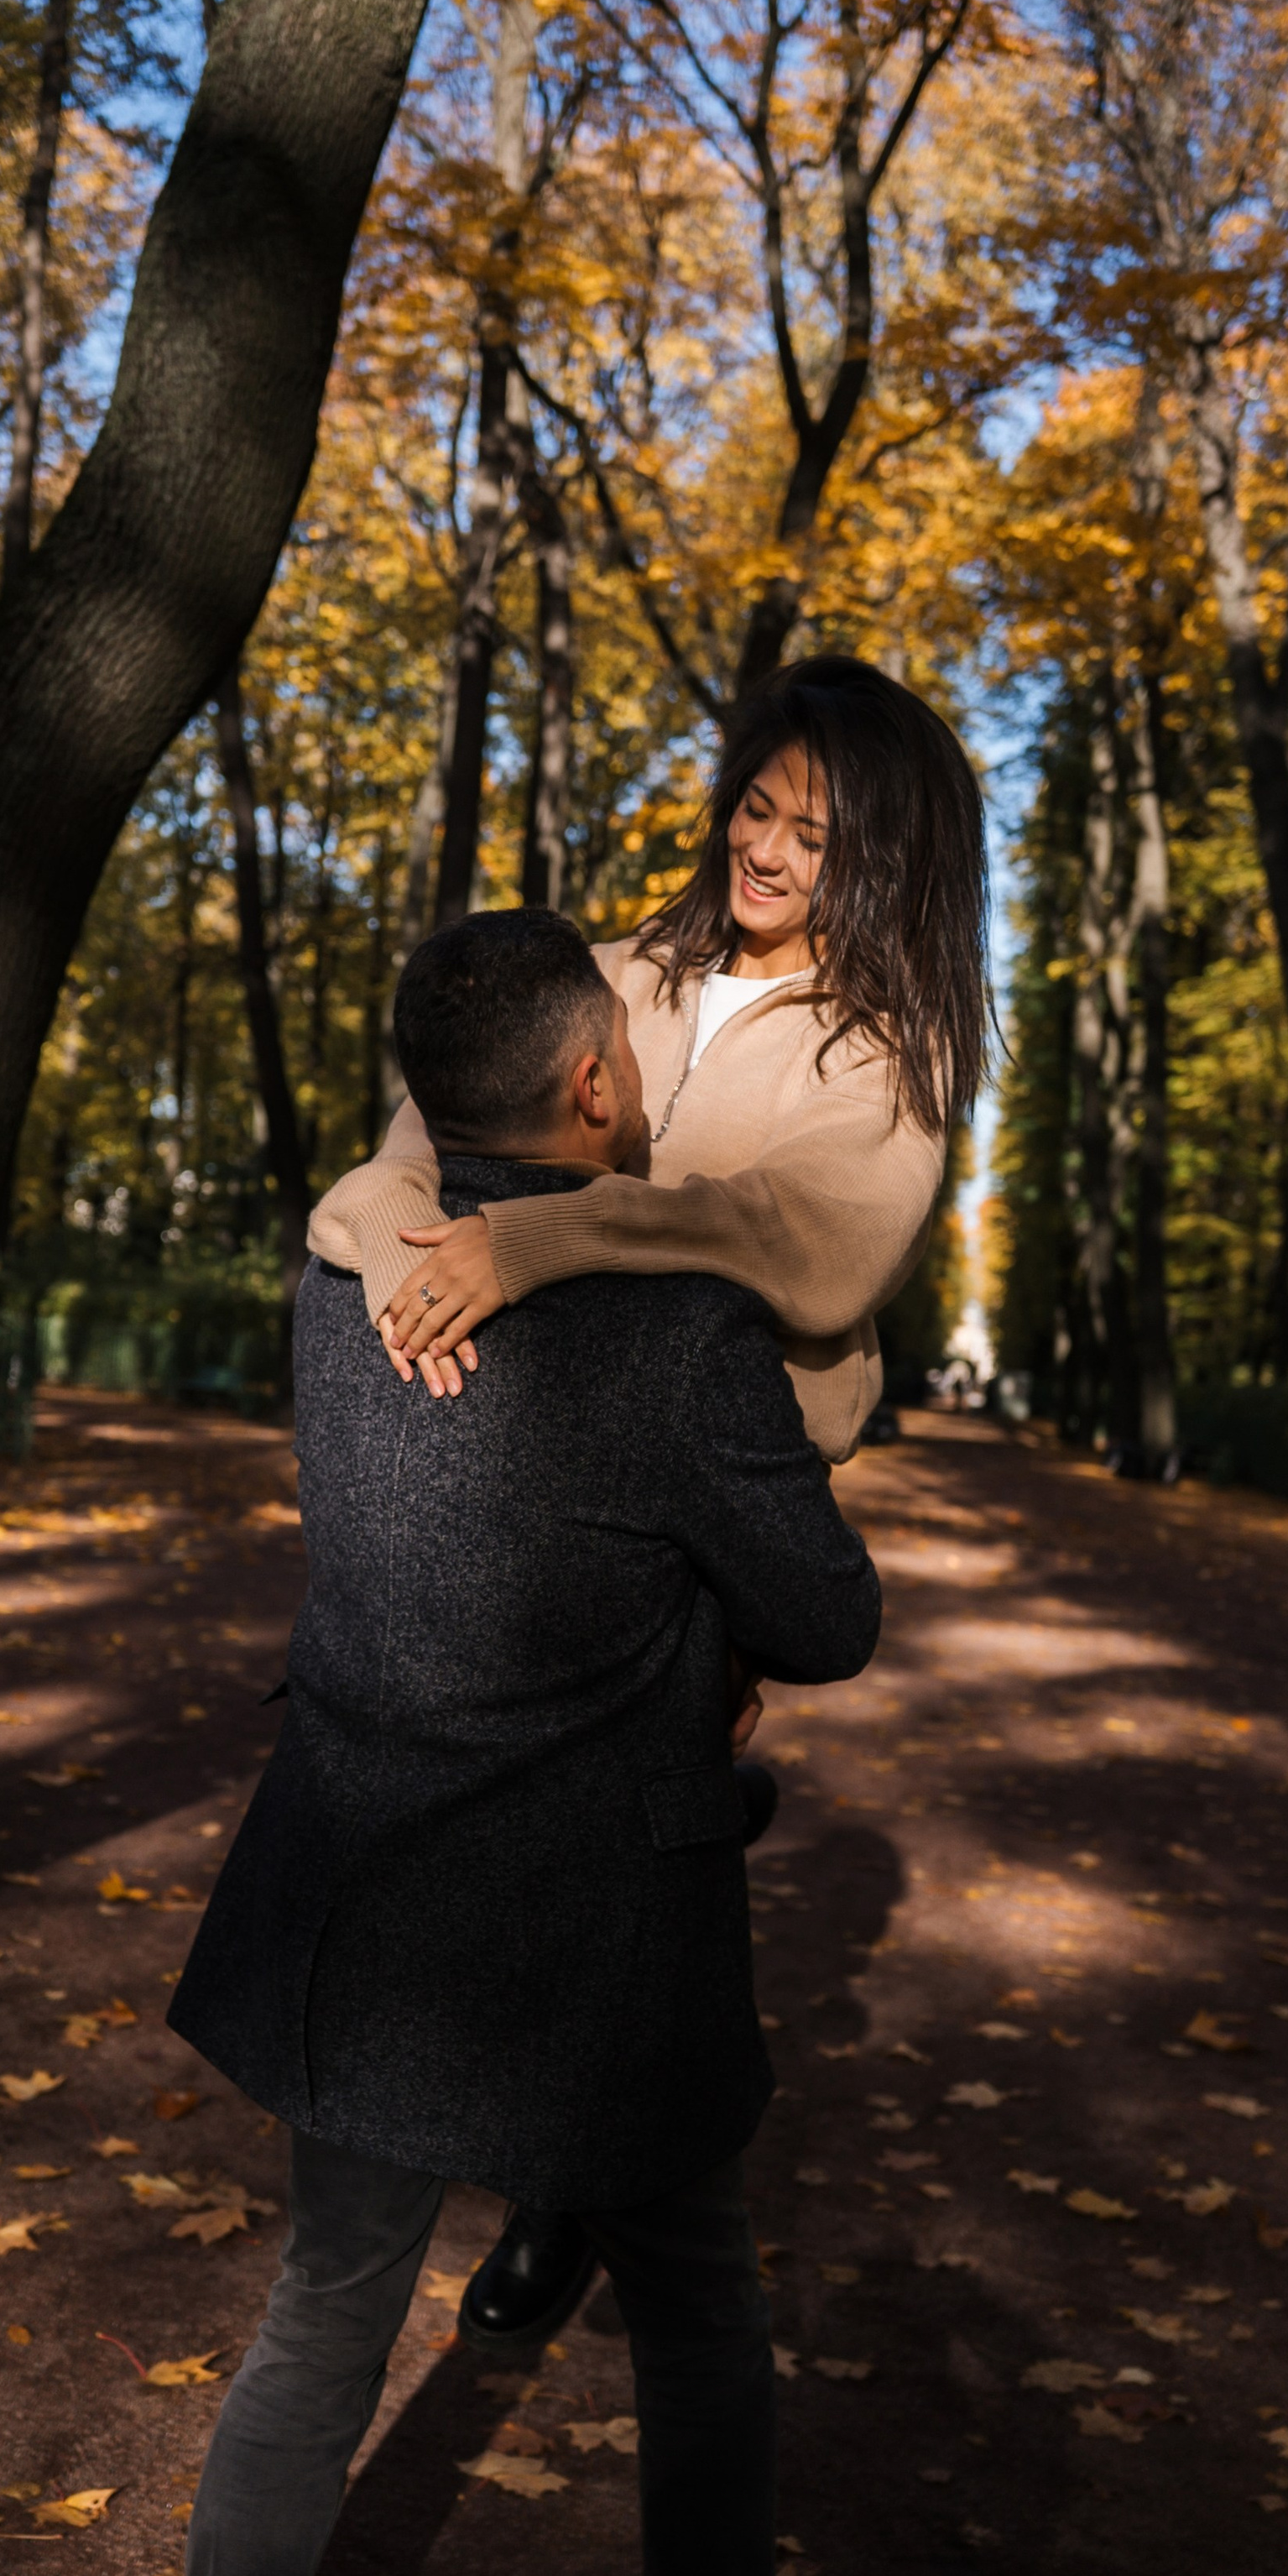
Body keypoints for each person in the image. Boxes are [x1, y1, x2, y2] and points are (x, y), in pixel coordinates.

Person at [138, 912, 883, 2576]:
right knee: (699, 2320)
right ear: (589, 1085)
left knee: (323, 2315)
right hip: (598, 1935)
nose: (647, 1083)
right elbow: (826, 1618)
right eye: (632, 1057)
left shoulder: (341, 1282)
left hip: (366, 1882)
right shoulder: (678, 1329)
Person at [309, 654, 988, 2353]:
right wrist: (398, 1257)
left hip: (715, 1503)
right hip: (525, 1466)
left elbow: (806, 1247)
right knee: (538, 1821)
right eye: (756, 808)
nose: (766, 851)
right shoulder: (618, 974)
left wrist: (547, 1235)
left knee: (635, 1869)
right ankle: (537, 2164)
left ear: (888, 860)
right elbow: (408, 1153)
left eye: (815, 835)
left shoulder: (888, 1058)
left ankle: (584, 2194)